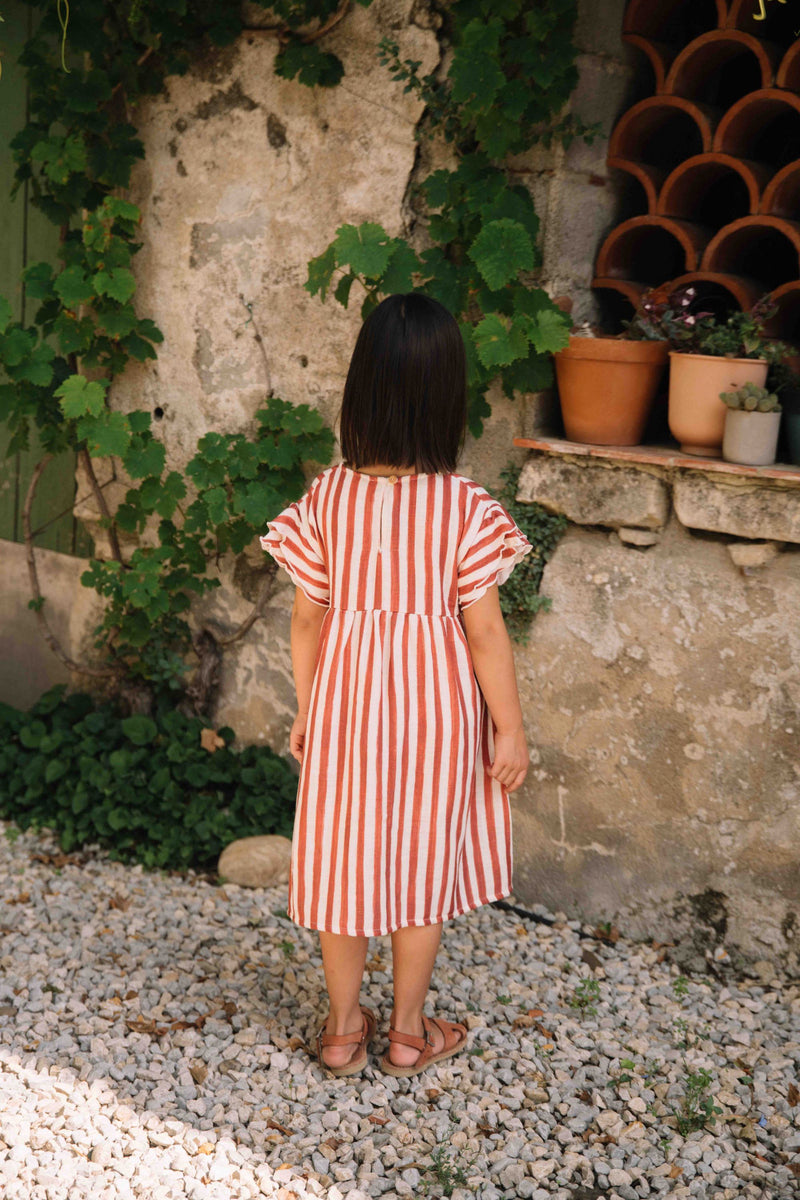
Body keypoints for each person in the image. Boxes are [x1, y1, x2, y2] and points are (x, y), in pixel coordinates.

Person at [259, 292, 532, 1078]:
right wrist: (507, 728)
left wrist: (311, 708)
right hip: (435, 718)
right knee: (420, 864)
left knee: (344, 861)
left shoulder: (328, 496)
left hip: (345, 711)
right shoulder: (464, 508)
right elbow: (484, 633)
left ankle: (344, 1030)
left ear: (361, 390)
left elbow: (308, 619)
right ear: (445, 399)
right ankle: (407, 1033)